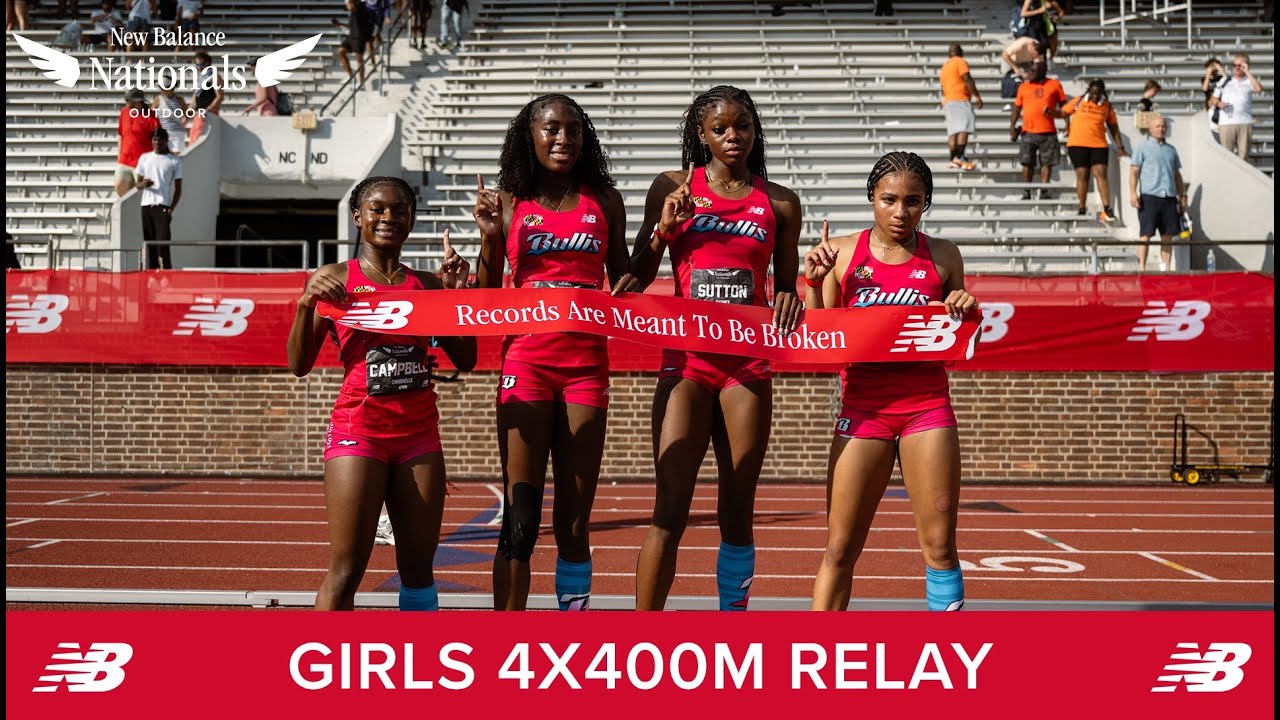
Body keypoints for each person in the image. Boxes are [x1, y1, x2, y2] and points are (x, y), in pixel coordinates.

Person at [629, 85, 803, 611]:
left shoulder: (781, 202)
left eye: (743, 126)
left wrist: (795, 296)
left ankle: (733, 623)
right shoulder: (672, 186)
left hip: (747, 363)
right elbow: (634, 279)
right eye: (720, 128)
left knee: (737, 508)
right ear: (700, 135)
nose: (734, 136)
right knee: (670, 509)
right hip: (687, 363)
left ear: (755, 131)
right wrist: (664, 229)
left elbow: (789, 288)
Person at [472, 94, 639, 612]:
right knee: (521, 515)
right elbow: (484, 296)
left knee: (574, 518)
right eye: (551, 129)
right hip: (527, 364)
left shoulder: (605, 200)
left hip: (588, 369)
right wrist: (488, 240)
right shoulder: (506, 200)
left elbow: (626, 279)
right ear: (531, 137)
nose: (563, 139)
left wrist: (660, 239)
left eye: (573, 130)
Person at [287, 176, 477, 611]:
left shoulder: (428, 284)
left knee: (418, 570)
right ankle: (323, 672)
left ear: (411, 220)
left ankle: (417, 670)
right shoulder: (335, 279)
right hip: (360, 433)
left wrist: (454, 297)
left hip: (419, 439)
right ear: (358, 217)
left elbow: (465, 359)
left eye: (399, 210)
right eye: (377, 209)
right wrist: (305, 304)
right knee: (347, 569)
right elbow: (299, 365)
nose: (388, 217)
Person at [802, 151, 977, 612]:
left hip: (927, 407)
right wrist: (814, 283)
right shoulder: (839, 252)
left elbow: (954, 343)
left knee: (939, 546)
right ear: (871, 199)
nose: (901, 212)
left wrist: (961, 305)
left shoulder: (944, 255)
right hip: (863, 410)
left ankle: (950, 668)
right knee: (839, 548)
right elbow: (822, 340)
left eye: (913, 201)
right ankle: (812, 664)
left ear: (926, 204)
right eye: (889, 199)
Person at [1054, 78, 1127, 222]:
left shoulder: (1106, 106)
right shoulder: (1078, 101)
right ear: (1088, 91)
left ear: (1102, 93)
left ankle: (1107, 209)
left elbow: (1113, 127)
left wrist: (1120, 147)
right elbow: (1063, 113)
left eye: (1097, 94)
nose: (1094, 96)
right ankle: (1081, 207)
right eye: (1092, 93)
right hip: (1077, 143)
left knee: (1100, 173)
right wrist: (1050, 113)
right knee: (1083, 174)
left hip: (1098, 144)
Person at [1129, 115, 1187, 272]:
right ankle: (1141, 268)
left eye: (1163, 126)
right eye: (1157, 126)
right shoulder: (1142, 148)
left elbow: (1177, 175)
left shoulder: (1171, 150)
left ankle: (1166, 268)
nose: (1161, 129)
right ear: (1150, 129)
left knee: (1168, 236)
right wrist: (1133, 193)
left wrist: (1183, 196)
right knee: (1145, 234)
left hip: (1169, 197)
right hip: (1149, 196)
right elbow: (1134, 172)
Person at [1010, 60, 1066, 199]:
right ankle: (1027, 191)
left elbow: (1065, 107)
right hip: (1028, 131)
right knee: (1027, 162)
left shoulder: (1054, 85)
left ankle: (1044, 190)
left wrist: (1068, 125)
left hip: (1048, 131)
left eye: (1033, 71)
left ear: (1042, 71)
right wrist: (1012, 126)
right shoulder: (1023, 87)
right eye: (1030, 71)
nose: (1030, 74)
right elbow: (1017, 108)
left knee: (1047, 162)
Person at [134, 128, 183, 269]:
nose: (157, 142)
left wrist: (171, 210)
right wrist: (143, 184)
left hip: (162, 206)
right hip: (146, 206)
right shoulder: (144, 157)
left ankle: (166, 275)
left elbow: (179, 190)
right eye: (155, 139)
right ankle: (151, 276)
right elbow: (137, 184)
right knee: (149, 245)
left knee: (163, 244)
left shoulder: (174, 161)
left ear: (166, 141)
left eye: (160, 139)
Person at [1210, 53, 1264, 162]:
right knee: (1226, 157)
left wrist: (1247, 72)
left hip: (1244, 122)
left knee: (1243, 158)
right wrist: (1218, 103)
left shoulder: (1249, 80)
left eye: (1241, 65)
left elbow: (1258, 89)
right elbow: (1212, 99)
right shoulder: (1225, 80)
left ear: (1247, 66)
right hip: (1226, 123)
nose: (1237, 68)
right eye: (1235, 65)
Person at [940, 43, 983, 171]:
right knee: (964, 127)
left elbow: (943, 86)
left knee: (953, 130)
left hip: (948, 100)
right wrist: (977, 95)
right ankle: (960, 156)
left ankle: (953, 158)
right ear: (960, 51)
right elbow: (966, 77)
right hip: (960, 98)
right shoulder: (960, 61)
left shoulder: (945, 66)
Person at [115, 88, 161, 197]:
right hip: (124, 161)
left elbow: (158, 140)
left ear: (137, 101)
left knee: (142, 195)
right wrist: (119, 157)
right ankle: (125, 213)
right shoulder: (124, 112)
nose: (126, 102)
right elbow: (121, 135)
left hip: (142, 163)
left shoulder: (151, 116)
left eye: (128, 100)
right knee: (119, 186)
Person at [187, 51, 224, 148]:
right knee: (193, 142)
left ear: (208, 63)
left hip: (208, 114)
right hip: (199, 114)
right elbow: (195, 100)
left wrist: (207, 110)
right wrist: (187, 115)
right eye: (197, 64)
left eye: (202, 64)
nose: (199, 67)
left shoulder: (214, 76)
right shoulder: (200, 77)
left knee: (199, 144)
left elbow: (220, 96)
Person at [334, 0, 370, 83]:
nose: (347, 6)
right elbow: (352, 25)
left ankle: (361, 82)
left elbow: (354, 8)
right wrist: (341, 25)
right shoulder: (351, 11)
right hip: (351, 36)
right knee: (340, 52)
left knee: (359, 58)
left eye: (347, 4)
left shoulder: (359, 6)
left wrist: (351, 5)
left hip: (360, 36)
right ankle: (350, 74)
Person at [152, 82, 189, 154]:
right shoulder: (158, 99)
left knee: (177, 156)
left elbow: (187, 113)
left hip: (177, 132)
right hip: (163, 132)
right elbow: (152, 114)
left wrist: (185, 119)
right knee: (162, 155)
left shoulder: (179, 100)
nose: (161, 90)